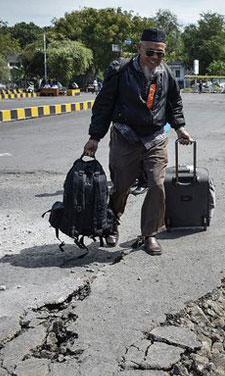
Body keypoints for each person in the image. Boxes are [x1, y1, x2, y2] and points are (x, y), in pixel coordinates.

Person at [83, 28, 192, 255]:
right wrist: (95, 138)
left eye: (160, 54)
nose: (154, 58)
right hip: (126, 135)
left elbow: (174, 103)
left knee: (157, 185)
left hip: (155, 137)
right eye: (150, 52)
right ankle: (112, 224)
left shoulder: (166, 74)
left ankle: (149, 234)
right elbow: (103, 105)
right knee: (121, 186)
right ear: (139, 48)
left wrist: (180, 127)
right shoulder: (119, 70)